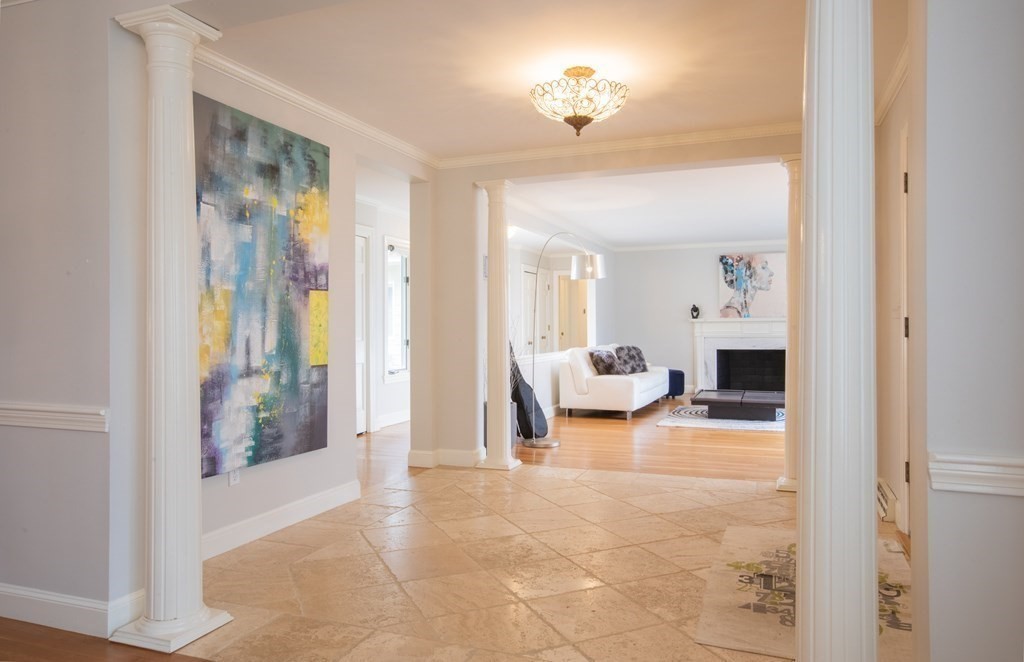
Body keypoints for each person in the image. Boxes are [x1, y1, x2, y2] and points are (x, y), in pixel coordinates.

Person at [719, 254, 774, 318]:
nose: (771, 273)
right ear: (746, 273)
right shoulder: (731, 315)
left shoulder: (741, 311)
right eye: (763, 267)